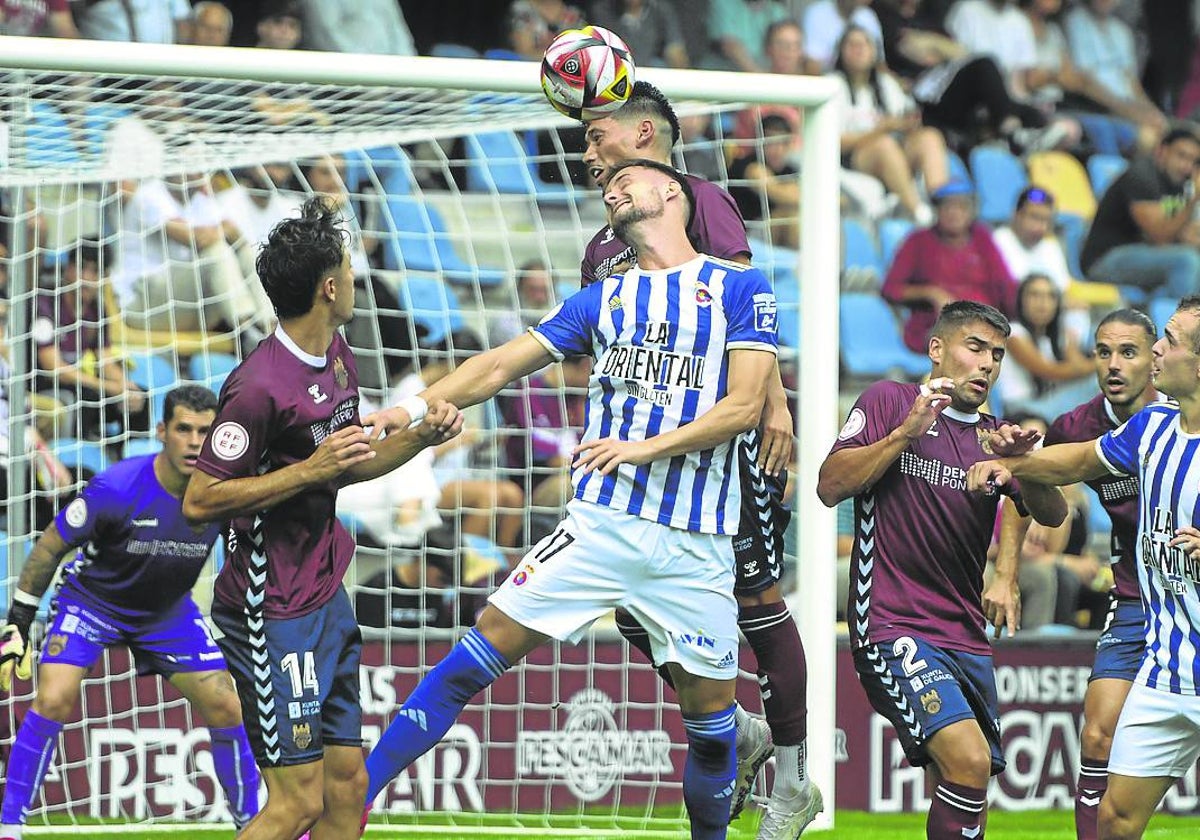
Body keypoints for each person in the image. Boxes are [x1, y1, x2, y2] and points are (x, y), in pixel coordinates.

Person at [363, 159, 782, 840]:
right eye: (606, 185)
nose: (612, 187)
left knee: (712, 734)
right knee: (468, 662)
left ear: (672, 191)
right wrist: (412, 406)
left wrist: (642, 448)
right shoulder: (602, 300)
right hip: (601, 527)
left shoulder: (738, 287)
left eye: (630, 179)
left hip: (695, 542)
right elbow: (497, 365)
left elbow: (743, 406)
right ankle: (350, 803)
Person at [579, 81, 819, 836]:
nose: (588, 153)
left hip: (721, 446)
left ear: (645, 133)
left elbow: (749, 300)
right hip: (642, 454)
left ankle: (795, 780)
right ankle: (738, 729)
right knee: (626, 606)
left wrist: (775, 401)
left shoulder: (703, 199)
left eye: (598, 138)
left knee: (756, 603)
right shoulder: (599, 249)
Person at [180, 197, 462, 840]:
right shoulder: (258, 387)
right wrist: (307, 470)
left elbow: (346, 465)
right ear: (329, 287)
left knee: (347, 787)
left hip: (326, 592)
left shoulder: (338, 352)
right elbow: (200, 500)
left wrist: (419, 439)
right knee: (296, 803)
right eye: (349, 269)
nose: (357, 279)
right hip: (271, 607)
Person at [818, 300, 1068, 840]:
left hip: (965, 632)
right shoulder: (890, 401)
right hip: (891, 622)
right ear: (937, 349)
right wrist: (904, 434)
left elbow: (1047, 510)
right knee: (971, 762)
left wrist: (1023, 470)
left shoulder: (997, 434)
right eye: (974, 348)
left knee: (959, 782)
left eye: (997, 356)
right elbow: (830, 485)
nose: (987, 365)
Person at [966, 296, 1200, 840]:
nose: (1156, 351)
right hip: (1165, 649)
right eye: (1103, 352)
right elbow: (1073, 460)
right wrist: (1009, 460)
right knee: (1114, 815)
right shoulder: (1152, 427)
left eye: (1165, 342)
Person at [0, 385, 261, 838]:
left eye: (205, 430)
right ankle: (8, 824)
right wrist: (19, 621)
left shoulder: (224, 493)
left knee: (225, 703)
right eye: (183, 429)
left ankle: (256, 825)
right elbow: (49, 548)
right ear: (161, 431)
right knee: (54, 698)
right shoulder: (116, 487)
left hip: (167, 613)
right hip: (93, 604)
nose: (195, 441)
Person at [1019, 308, 1159, 839]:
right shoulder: (1075, 428)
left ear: (1156, 359)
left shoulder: (1180, 420)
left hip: (1190, 597)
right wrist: (1005, 573)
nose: (1114, 365)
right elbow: (1028, 491)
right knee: (1097, 736)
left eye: (1129, 352)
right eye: (1104, 353)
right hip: (1134, 598)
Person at [829, 24, 947, 225]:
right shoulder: (832, 84)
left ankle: (942, 204)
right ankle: (919, 214)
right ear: (840, 52)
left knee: (930, 137)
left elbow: (907, 119)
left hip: (895, 150)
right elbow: (833, 142)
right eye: (852, 45)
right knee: (884, 144)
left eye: (865, 44)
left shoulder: (886, 83)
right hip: (852, 159)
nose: (859, 49)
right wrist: (882, 129)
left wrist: (908, 124)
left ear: (875, 51)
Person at [882, 180, 1018, 354]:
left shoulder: (982, 237)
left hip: (985, 324)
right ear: (937, 210)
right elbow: (891, 288)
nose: (954, 213)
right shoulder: (918, 241)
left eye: (961, 206)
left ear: (971, 211)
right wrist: (931, 293)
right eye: (947, 207)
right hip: (936, 327)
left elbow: (1003, 283)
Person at [1080, 126, 1200, 299]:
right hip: (1106, 258)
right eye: (1181, 156)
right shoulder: (1141, 176)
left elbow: (1184, 232)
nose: (1187, 166)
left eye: (1193, 161)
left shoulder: (1179, 182)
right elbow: (1160, 236)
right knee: (1185, 261)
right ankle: (1185, 325)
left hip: (1144, 253)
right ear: (1162, 151)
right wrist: (1194, 199)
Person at [992, 273, 1094, 421]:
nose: (1043, 303)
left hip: (1046, 403)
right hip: (1021, 408)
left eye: (1051, 296)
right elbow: (1050, 371)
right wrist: (1100, 364)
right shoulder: (1013, 333)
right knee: (1098, 384)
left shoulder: (1050, 338)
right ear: (1021, 300)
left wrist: (1071, 341)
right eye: (1034, 295)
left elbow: (1077, 366)